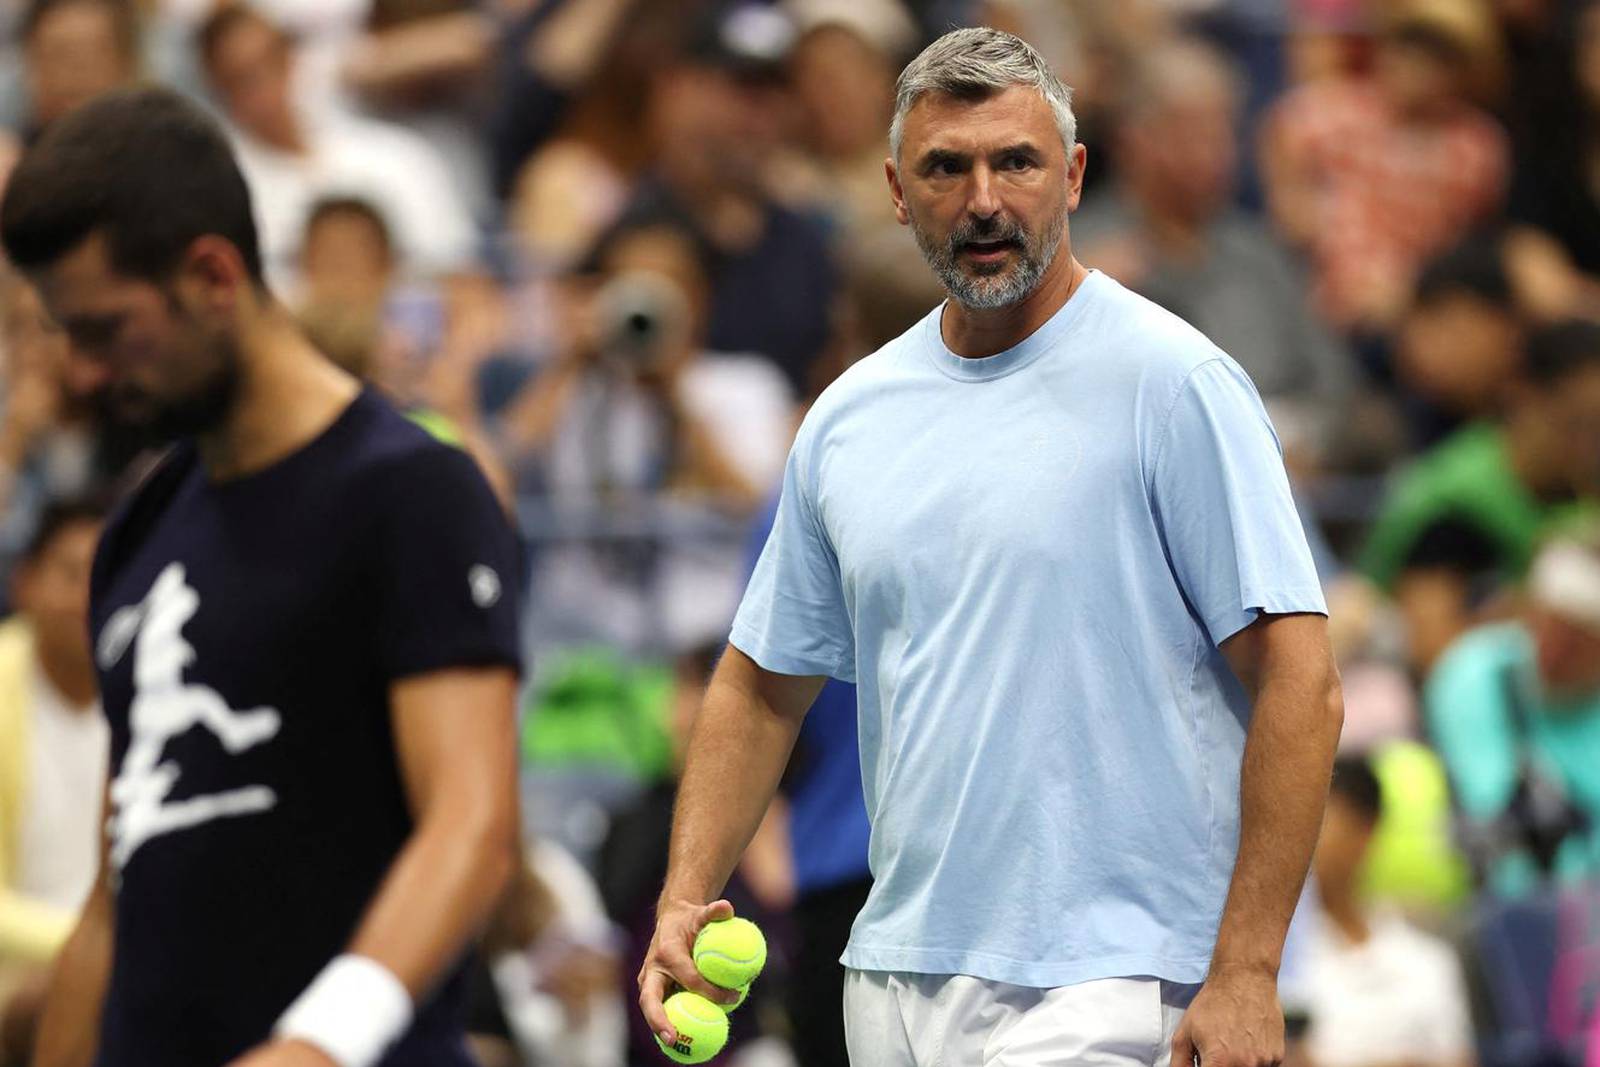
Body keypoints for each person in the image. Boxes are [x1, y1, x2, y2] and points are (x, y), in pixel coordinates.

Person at [638, 27, 1343, 1067]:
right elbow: (757, 682)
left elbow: (1300, 679)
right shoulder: (848, 417)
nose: (982, 200)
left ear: (1072, 175)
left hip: (1116, 977)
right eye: (945, 167)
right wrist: (684, 892)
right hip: (889, 976)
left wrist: (1244, 968)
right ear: (893, 188)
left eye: (1014, 162)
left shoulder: (1173, 383)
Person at [0, 86, 522, 1067]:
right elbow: (116, 900)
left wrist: (319, 1045)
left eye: (106, 329)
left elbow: (472, 819)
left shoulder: (411, 491)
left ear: (211, 274)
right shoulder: (140, 526)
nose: (81, 374)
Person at [1359, 320, 1600, 673]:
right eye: (1578, 422)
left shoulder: (1580, 487)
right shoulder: (1458, 502)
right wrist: (1528, 617)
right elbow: (1433, 651)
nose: (1590, 446)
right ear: (1526, 396)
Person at [197, 2, 480, 292]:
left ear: (290, 59)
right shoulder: (229, 199)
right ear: (217, 90)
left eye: (270, 63)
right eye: (241, 79)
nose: (262, 88)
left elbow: (462, 276)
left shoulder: (399, 156)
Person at [1425, 530, 1600, 896]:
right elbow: (1492, 811)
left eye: (1578, 641)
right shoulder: (1474, 673)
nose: (1552, 652)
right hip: (1480, 900)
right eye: (1549, 626)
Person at [0, 502, 105, 1067]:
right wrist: (91, 950)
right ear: (25, 583)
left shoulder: (155, 687)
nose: (89, 599)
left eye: (105, 574)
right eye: (70, 575)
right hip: (18, 984)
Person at [1300, 755, 1476, 1067]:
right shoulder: (1273, 967)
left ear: (1366, 830)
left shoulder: (1430, 962)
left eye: (1322, 820)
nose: (1302, 840)